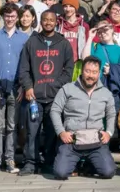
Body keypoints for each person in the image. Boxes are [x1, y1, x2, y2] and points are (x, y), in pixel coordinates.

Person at [18, 10, 75, 176]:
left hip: (55, 98)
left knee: (52, 131)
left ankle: (49, 162)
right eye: (45, 20)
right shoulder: (32, 42)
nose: (48, 22)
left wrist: (56, 86)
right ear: (40, 21)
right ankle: (30, 163)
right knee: (32, 131)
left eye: (51, 20)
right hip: (34, 97)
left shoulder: (63, 43)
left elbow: (69, 70)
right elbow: (24, 69)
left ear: (56, 22)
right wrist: (28, 87)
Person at [50, 56, 117, 180]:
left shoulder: (106, 93)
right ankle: (76, 163)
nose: (90, 75)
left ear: (99, 73)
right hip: (72, 141)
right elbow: (55, 110)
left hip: (96, 142)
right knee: (60, 173)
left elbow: (111, 114)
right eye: (87, 71)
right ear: (81, 70)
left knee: (109, 172)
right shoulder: (67, 89)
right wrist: (61, 132)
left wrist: (108, 133)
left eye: (94, 72)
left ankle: (88, 164)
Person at [0, 3, 29, 175]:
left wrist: (24, 86)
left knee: (12, 126)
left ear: (17, 17)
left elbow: (26, 64)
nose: (10, 19)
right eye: (7, 16)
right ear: (2, 17)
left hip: (16, 87)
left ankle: (10, 159)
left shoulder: (24, 38)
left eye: (13, 16)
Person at [56, 0, 89, 68]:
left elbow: (87, 44)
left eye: (71, 6)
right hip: (60, 62)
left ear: (76, 7)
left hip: (77, 63)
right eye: (65, 6)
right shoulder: (57, 24)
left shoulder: (84, 26)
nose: (68, 9)